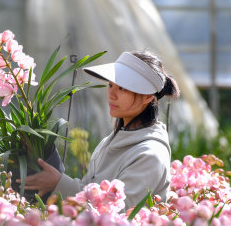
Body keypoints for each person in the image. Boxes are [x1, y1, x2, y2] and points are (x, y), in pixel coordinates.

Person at [22, 50, 180, 210]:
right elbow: (89, 191)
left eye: (122, 88)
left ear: (148, 96)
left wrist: (59, 183)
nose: (111, 94)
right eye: (110, 85)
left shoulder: (149, 156)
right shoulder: (110, 141)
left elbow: (117, 212)